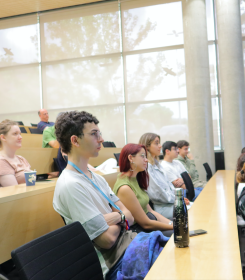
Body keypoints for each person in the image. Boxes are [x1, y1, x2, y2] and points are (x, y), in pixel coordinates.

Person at [53, 111, 167, 280]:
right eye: (94, 134)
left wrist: (113, 217)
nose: (100, 139)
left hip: (132, 242)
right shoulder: (71, 185)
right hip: (116, 263)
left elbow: (131, 217)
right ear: (75, 140)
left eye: (99, 133)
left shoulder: (96, 177)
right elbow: (107, 240)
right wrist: (122, 216)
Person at [113, 143, 173, 237]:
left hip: (150, 223)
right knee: (179, 233)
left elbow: (151, 211)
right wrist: (175, 227)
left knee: (181, 225)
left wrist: (171, 224)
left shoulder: (135, 179)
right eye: (142, 156)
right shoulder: (125, 188)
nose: (146, 160)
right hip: (141, 232)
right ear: (131, 158)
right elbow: (146, 224)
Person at [138, 133, 189, 220]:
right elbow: (157, 193)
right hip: (162, 208)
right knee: (190, 211)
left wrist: (179, 198)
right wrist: (177, 200)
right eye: (156, 143)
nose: (160, 146)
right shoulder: (147, 167)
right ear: (147, 146)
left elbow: (169, 185)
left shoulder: (157, 164)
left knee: (193, 206)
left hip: (170, 203)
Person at [0, 120, 32, 187]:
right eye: (15, 134)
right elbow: (14, 191)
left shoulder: (21, 159)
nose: (20, 137)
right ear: (3, 137)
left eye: (20, 134)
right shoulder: (0, 161)